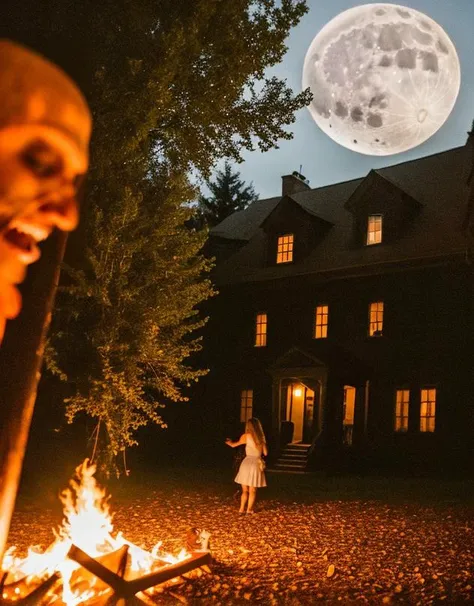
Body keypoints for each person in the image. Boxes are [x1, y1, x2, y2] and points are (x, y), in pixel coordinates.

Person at [225, 417, 268, 514]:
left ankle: (241, 509)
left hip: (247, 463)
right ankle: (249, 510)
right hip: (256, 464)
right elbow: (265, 453)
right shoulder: (261, 438)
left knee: (245, 490)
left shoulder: (246, 436)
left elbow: (233, 445)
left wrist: (229, 442)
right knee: (253, 490)